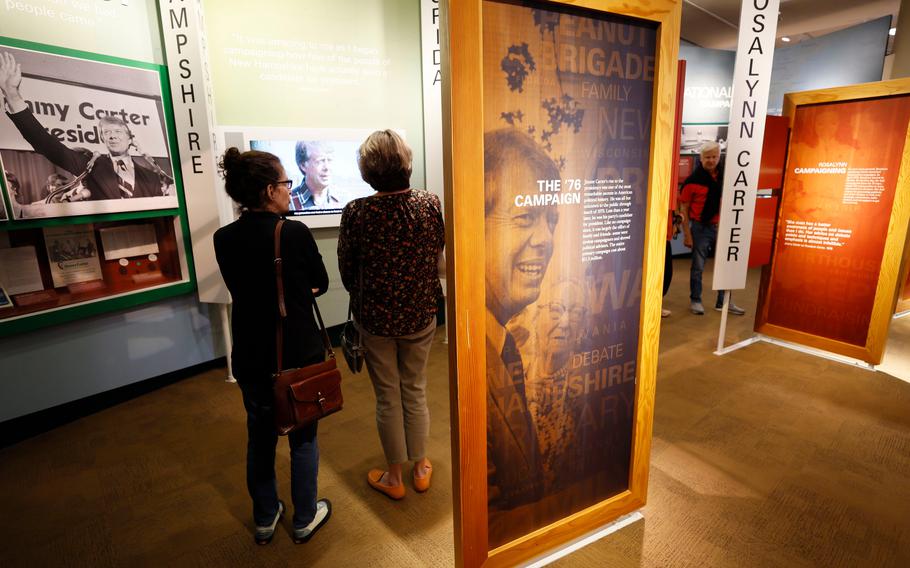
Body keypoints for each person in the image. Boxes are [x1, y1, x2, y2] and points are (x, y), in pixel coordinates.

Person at [213, 148, 332, 545]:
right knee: (303, 438)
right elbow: (321, 282)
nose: (287, 190)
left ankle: (265, 517)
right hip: (295, 355)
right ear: (269, 190)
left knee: (259, 438)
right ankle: (304, 517)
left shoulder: (223, 238)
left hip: (250, 355)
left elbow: (242, 288)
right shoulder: (293, 232)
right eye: (284, 183)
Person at [337, 130, 444, 500]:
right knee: (415, 389)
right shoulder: (429, 204)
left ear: (367, 171)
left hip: (376, 320)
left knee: (387, 396)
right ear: (406, 162)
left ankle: (394, 478)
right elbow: (436, 252)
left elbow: (347, 272)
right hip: (421, 314)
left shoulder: (356, 212)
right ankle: (421, 467)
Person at [483, 129, 559, 518]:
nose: (545, 238)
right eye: (526, 217)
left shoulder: (499, 342)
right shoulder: (474, 354)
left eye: (551, 220)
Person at [0, 51, 170, 201]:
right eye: (107, 132)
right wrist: (13, 96)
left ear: (130, 138)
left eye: (118, 131)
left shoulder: (151, 177)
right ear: (102, 139)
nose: (112, 135)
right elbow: (45, 143)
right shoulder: (90, 166)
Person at [679, 141, 745, 316]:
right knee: (698, 266)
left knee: (726, 265)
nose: (711, 160)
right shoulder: (692, 181)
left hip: (724, 227)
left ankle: (723, 302)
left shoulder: (728, 177)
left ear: (719, 156)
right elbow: (683, 209)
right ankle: (696, 300)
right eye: (707, 157)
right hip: (700, 228)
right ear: (701, 158)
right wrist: (687, 234)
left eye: (714, 156)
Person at [290, 141, 342, 210]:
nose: (327, 167)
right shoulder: (289, 202)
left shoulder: (344, 199)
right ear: (303, 165)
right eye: (320, 161)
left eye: (329, 160)